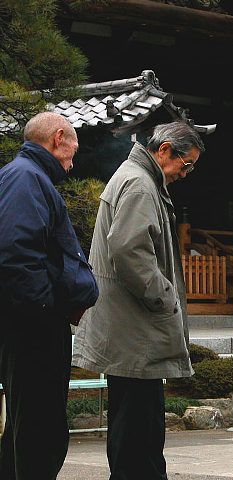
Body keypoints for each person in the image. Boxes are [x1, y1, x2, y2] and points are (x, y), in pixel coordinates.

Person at [72, 121, 205, 480]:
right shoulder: (140, 184)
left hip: (130, 330)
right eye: (186, 164)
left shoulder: (137, 178)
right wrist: (165, 299)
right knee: (138, 435)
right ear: (164, 151)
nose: (185, 173)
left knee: (135, 429)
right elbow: (130, 252)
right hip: (135, 331)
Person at [0, 111, 99, 479]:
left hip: (33, 321)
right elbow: (16, 253)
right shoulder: (26, 179)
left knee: (31, 426)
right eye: (73, 152)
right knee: (39, 429)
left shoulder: (27, 177)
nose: (73, 164)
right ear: (59, 137)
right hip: (34, 324)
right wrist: (45, 308)